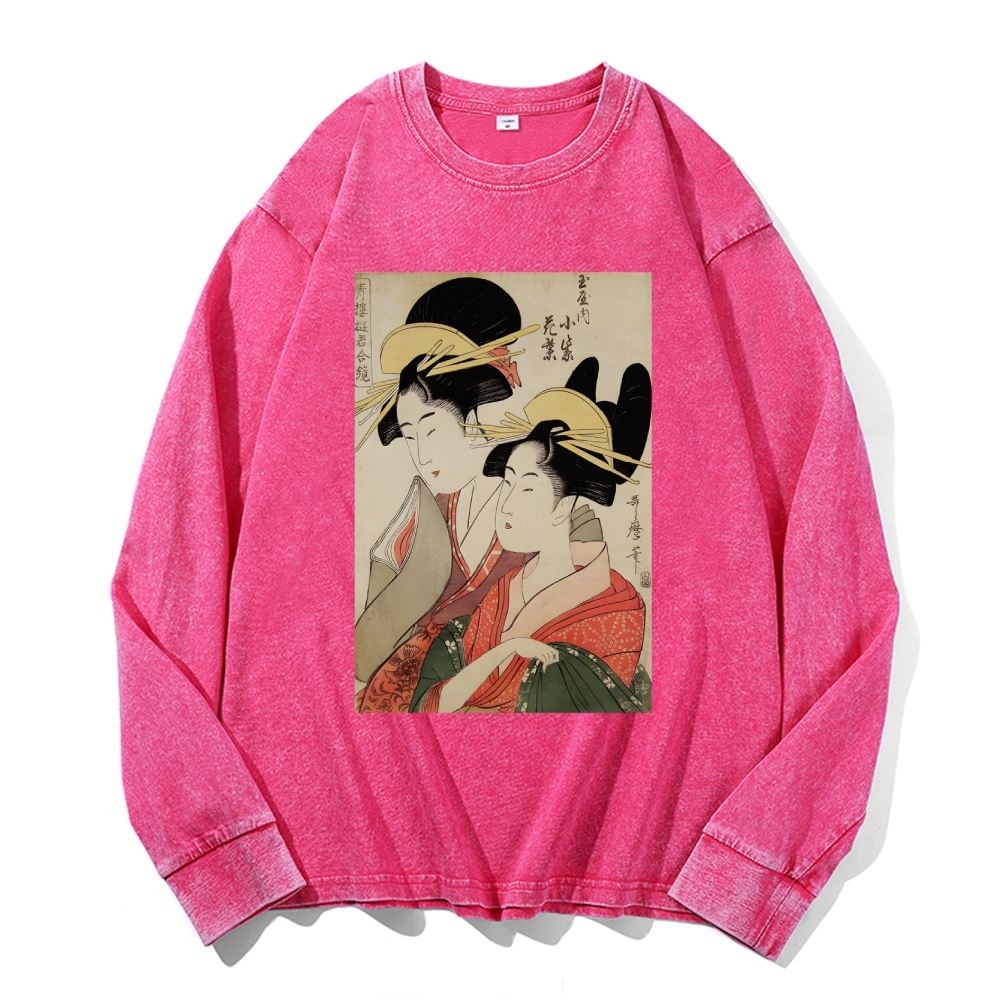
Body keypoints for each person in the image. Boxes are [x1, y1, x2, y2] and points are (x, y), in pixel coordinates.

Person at [354, 277, 602, 709]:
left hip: (515, 683)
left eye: (432, 430)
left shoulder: (548, 492)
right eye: (410, 436)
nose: (421, 455)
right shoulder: (427, 508)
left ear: (473, 415)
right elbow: (376, 621)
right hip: (421, 685)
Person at [408, 357, 652, 713]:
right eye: (507, 483)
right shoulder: (504, 591)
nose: (505, 505)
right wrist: (507, 649)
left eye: (526, 489)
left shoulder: (614, 609)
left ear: (563, 507)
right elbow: (430, 703)